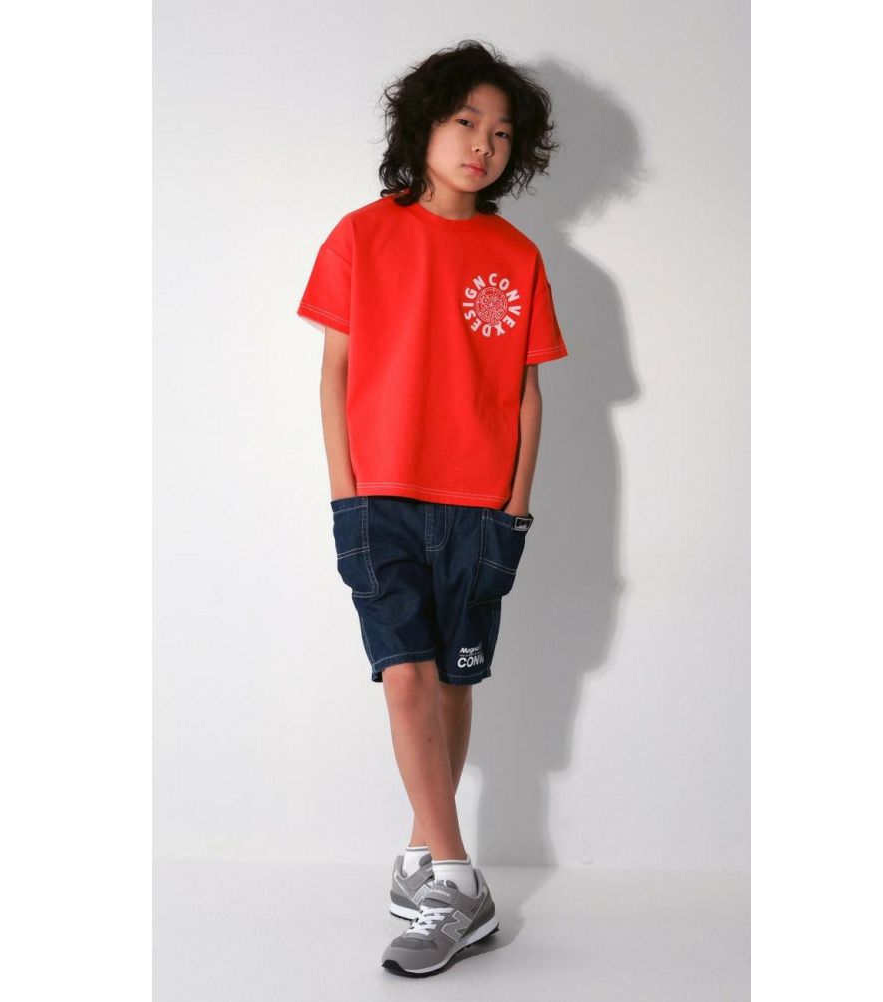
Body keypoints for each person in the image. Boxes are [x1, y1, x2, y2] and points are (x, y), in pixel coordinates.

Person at [296, 39, 568, 976]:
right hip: (379, 497)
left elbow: (527, 393)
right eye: (465, 122)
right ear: (423, 126)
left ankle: (423, 857)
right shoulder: (360, 236)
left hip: (480, 506)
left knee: (451, 683)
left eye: (502, 133)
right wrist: (346, 489)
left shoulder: (516, 254)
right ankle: (458, 878)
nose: (482, 145)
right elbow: (333, 375)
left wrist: (516, 505)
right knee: (404, 675)